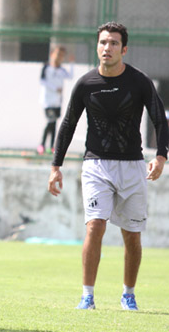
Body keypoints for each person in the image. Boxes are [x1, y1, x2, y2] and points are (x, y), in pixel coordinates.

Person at [47, 22, 168, 311]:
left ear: (123, 49)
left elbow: (159, 120)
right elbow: (67, 125)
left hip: (132, 167)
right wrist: (55, 166)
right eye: (103, 42)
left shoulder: (139, 82)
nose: (107, 48)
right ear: (97, 47)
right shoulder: (86, 84)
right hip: (96, 165)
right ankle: (87, 295)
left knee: (132, 236)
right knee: (95, 226)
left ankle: (128, 294)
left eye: (114, 43)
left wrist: (161, 156)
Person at [38, 45, 73, 154]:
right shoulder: (46, 67)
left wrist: (72, 63)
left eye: (61, 56)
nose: (59, 57)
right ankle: (42, 144)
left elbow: (70, 76)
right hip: (47, 101)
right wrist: (54, 88)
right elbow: (42, 81)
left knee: (54, 123)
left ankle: (51, 146)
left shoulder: (62, 70)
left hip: (57, 101)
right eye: (57, 54)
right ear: (52, 55)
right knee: (51, 121)